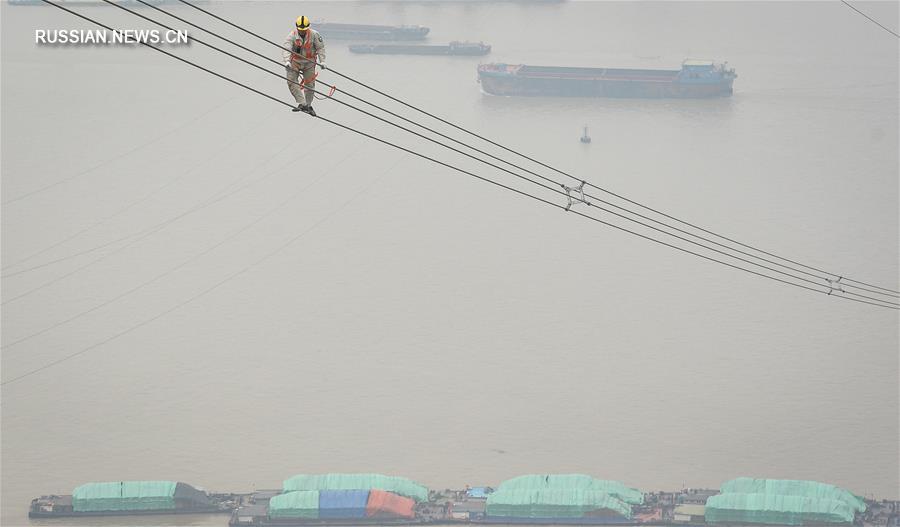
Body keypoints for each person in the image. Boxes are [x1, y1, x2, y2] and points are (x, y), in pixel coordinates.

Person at [283, 16, 326, 116]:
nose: (302, 31)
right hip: (295, 61)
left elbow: (320, 48)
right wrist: (287, 61)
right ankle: (302, 103)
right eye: (300, 30)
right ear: (297, 27)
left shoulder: (315, 35)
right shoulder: (292, 36)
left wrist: (322, 61)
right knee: (291, 81)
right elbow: (286, 48)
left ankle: (308, 105)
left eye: (304, 30)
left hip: (309, 62)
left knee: (310, 84)